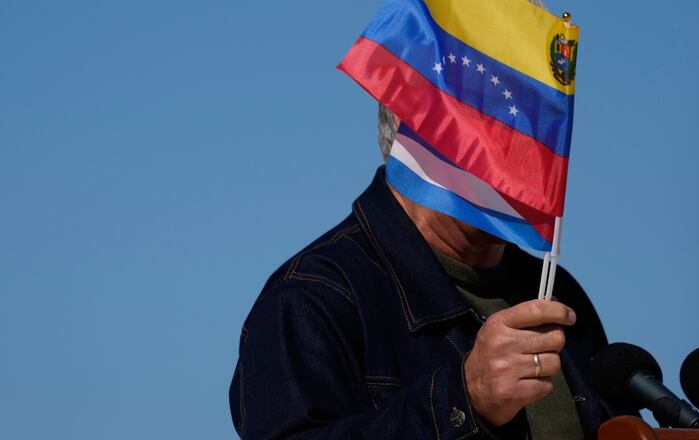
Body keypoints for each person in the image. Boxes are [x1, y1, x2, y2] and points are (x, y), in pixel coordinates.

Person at [228, 104, 633, 439]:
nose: (524, 139)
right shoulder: (314, 296)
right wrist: (464, 397)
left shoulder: (558, 294)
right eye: (495, 112)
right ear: (415, 123)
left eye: (531, 113)